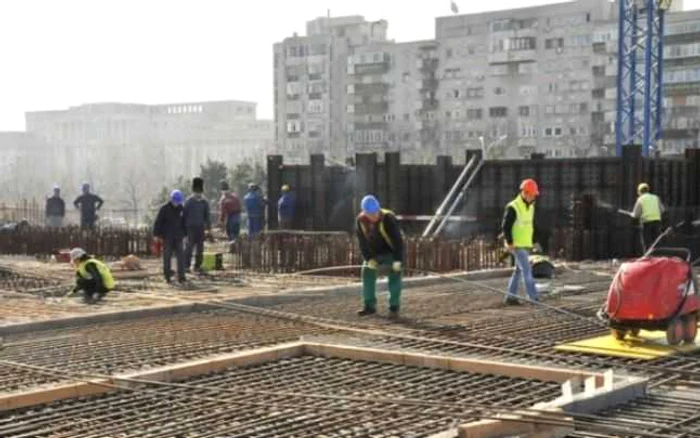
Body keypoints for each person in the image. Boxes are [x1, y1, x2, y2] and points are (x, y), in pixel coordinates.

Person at [355, 195, 404, 318]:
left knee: (394, 277)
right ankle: (369, 306)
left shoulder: (388, 218)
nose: (374, 216)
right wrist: (369, 259)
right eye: (371, 214)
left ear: (379, 209)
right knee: (367, 272)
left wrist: (398, 261)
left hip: (391, 252)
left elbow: (398, 241)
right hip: (375, 253)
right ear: (364, 212)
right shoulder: (360, 221)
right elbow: (362, 243)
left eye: (375, 212)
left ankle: (394, 308)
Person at [502, 178, 540, 306]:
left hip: (526, 244)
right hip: (517, 245)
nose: (534, 197)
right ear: (525, 192)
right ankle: (533, 298)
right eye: (532, 195)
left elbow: (530, 226)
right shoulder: (513, 207)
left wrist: (534, 241)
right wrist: (510, 242)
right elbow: (505, 226)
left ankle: (510, 297)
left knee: (518, 271)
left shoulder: (531, 207)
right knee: (527, 271)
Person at [153, 190, 187, 284]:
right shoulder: (164, 209)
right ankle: (167, 276)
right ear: (171, 200)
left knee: (181, 257)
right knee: (167, 257)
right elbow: (158, 222)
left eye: (178, 202)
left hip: (179, 237)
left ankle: (182, 277)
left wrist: (185, 235)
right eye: (175, 202)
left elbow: (184, 223)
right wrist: (156, 234)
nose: (177, 204)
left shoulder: (182, 209)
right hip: (167, 237)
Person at [183, 177, 211, 273]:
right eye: (196, 192)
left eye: (200, 192)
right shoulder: (188, 202)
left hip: (200, 228)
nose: (198, 194)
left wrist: (208, 228)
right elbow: (184, 216)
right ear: (193, 191)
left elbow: (207, 216)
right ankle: (186, 266)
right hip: (190, 228)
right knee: (189, 247)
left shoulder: (204, 202)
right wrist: (184, 231)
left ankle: (197, 266)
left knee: (200, 248)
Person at [632, 183, 665, 252]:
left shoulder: (640, 199)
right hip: (657, 222)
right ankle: (658, 257)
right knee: (656, 242)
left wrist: (632, 214)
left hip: (646, 223)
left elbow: (636, 215)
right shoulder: (656, 197)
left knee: (647, 243)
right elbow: (662, 210)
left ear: (639, 191)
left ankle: (648, 258)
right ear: (648, 190)